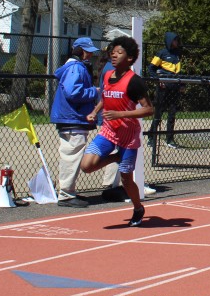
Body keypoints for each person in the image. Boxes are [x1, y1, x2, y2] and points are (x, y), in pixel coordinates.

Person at [82, 36, 154, 226]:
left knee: (126, 179)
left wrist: (121, 114)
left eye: (119, 53)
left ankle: (138, 208)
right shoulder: (107, 75)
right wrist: (95, 111)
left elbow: (149, 109)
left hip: (128, 136)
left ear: (129, 58)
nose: (114, 55)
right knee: (87, 166)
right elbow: (105, 98)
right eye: (112, 52)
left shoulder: (134, 82)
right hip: (108, 131)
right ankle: (116, 157)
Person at [50, 37, 100, 208]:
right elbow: (73, 92)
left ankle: (67, 191)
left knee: (71, 155)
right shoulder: (76, 67)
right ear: (79, 51)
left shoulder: (73, 66)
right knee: (72, 156)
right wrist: (94, 91)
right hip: (73, 117)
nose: (90, 54)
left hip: (71, 117)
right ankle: (66, 194)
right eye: (87, 51)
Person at [147, 32, 182, 149]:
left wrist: (181, 84)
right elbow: (151, 69)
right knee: (159, 112)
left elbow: (179, 71)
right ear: (170, 41)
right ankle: (151, 137)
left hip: (174, 88)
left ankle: (169, 139)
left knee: (172, 114)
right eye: (175, 40)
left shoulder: (177, 54)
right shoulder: (161, 53)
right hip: (163, 88)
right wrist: (158, 80)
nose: (177, 42)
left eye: (177, 40)